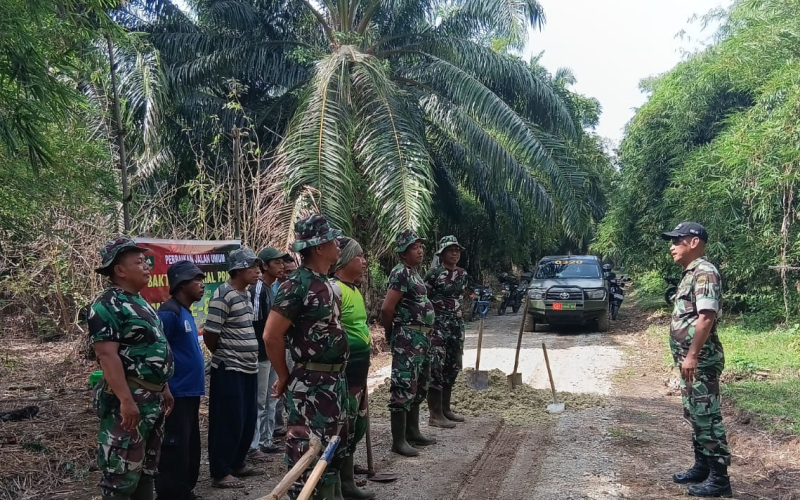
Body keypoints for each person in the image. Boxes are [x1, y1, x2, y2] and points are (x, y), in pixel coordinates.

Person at [264, 214, 348, 500]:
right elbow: (271, 335)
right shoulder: (296, 285)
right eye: (333, 241)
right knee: (307, 453)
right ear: (319, 247)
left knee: (331, 451)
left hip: (333, 380)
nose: (338, 245)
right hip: (311, 385)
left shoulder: (325, 282)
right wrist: (284, 375)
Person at [89, 236, 175, 500]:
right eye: (139, 261)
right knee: (120, 476)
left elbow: (154, 348)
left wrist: (164, 388)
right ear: (120, 270)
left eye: (146, 260)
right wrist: (126, 400)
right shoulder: (106, 304)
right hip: (128, 402)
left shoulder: (140, 301)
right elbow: (107, 356)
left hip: (152, 399)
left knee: (145, 471)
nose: (147, 265)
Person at [661, 222, 732, 498]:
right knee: (694, 412)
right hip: (691, 361)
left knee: (707, 414)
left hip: (700, 360)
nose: (672, 247)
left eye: (677, 241)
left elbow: (706, 317)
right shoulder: (690, 273)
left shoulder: (705, 272)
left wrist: (691, 355)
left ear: (694, 242)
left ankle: (719, 478)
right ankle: (702, 467)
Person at [204, 247, 264, 489]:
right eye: (252, 268)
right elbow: (210, 334)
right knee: (228, 419)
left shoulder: (246, 295)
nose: (257, 272)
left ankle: (238, 462)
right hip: (230, 368)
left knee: (246, 418)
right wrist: (225, 354)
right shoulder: (223, 296)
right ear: (237, 270)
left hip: (248, 367)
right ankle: (221, 470)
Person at [380, 230, 436, 457]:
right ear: (403, 252)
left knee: (419, 384)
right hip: (408, 338)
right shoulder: (400, 273)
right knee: (403, 386)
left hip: (421, 338)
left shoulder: (414, 273)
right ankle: (399, 440)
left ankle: (413, 431)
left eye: (421, 246)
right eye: (415, 247)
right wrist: (391, 333)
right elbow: (386, 309)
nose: (420, 250)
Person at [155, 261, 206, 500]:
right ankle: (171, 493)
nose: (202, 284)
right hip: (174, 394)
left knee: (189, 446)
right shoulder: (169, 312)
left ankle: (184, 490)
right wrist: (164, 386)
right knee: (174, 448)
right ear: (181, 285)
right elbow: (156, 350)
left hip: (189, 393)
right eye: (196, 280)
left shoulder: (185, 311)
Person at [330, 237, 375, 500]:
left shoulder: (355, 290)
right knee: (343, 427)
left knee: (357, 424)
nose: (364, 262)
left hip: (359, 366)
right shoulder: (335, 290)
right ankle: (341, 482)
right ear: (346, 260)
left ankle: (347, 478)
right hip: (344, 368)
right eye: (359, 256)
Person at [424, 235, 469, 428]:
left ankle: (446, 409)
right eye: (451, 250)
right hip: (437, 327)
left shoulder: (462, 274)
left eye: (457, 250)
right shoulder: (433, 274)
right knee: (436, 366)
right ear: (442, 253)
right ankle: (435, 414)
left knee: (453, 365)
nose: (454, 253)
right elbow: (424, 299)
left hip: (456, 326)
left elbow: (462, 297)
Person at [249, 247, 289, 457]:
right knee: (260, 400)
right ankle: (254, 445)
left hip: (272, 353)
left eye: (282, 262)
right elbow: (255, 322)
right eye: (277, 263)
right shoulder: (258, 289)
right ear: (265, 266)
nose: (281, 266)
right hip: (261, 354)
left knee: (272, 397)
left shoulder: (271, 289)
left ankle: (267, 439)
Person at [273, 254, 297, 438]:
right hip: (282, 346)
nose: (288, 275)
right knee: (282, 384)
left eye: (292, 271)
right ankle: (280, 426)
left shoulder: (299, 289)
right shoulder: (276, 290)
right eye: (286, 272)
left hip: (295, 347)